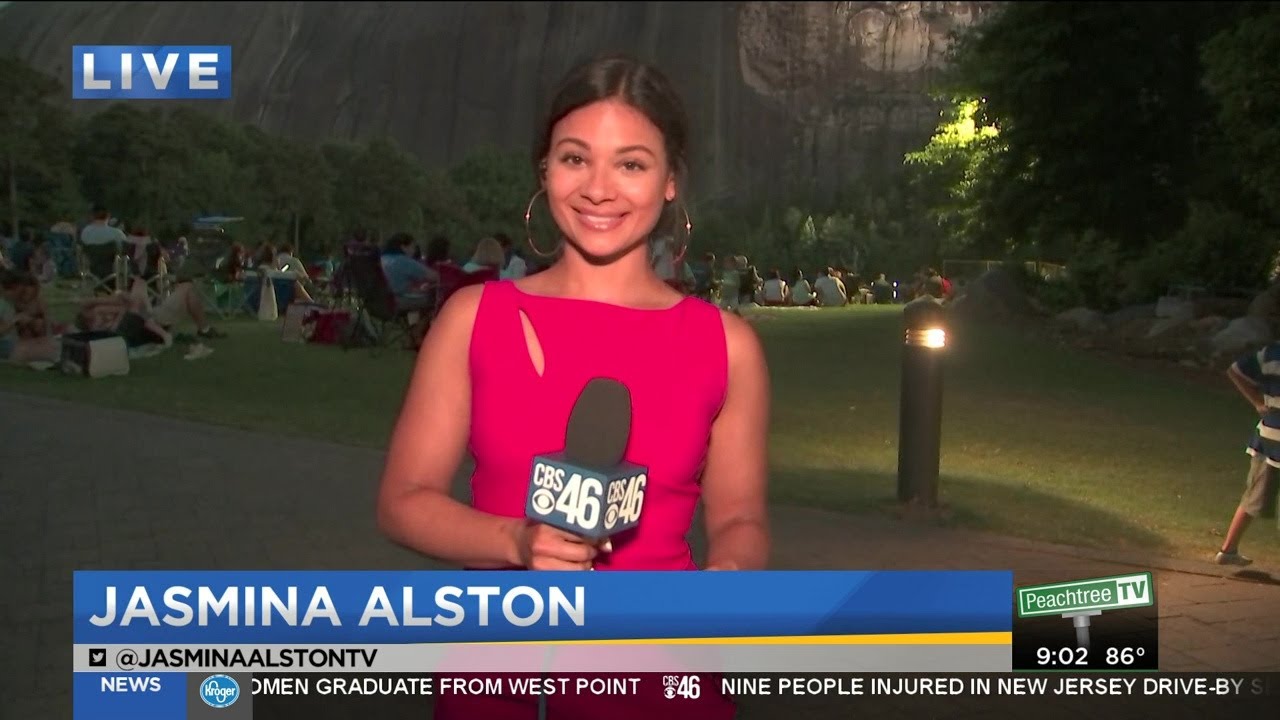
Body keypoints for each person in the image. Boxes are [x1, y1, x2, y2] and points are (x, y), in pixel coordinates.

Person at [376, 55, 769, 720]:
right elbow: (403, 501)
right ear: (544, 170)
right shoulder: (475, 318)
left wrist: (727, 582)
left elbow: (740, 519)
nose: (598, 188)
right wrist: (515, 543)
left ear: (671, 179)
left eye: (632, 164)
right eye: (575, 158)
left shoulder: (726, 345)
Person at [1215, 345, 1280, 565]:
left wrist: (1258, 402)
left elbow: (1236, 370)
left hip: (1269, 436)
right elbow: (1235, 371)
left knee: (1254, 495)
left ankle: (1228, 550)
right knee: (1256, 495)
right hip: (1272, 437)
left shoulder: (1272, 353)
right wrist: (1257, 402)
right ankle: (1228, 550)